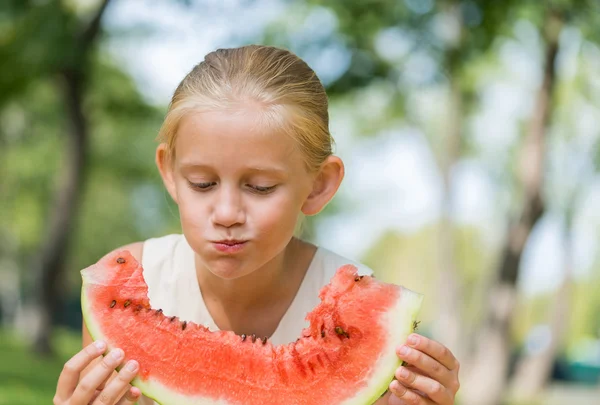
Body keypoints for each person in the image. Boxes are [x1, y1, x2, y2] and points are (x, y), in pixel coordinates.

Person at [53, 45, 460, 405]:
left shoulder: (353, 305)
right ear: (171, 174)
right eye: (203, 184)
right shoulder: (133, 281)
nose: (227, 212)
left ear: (318, 186)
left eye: (260, 187)